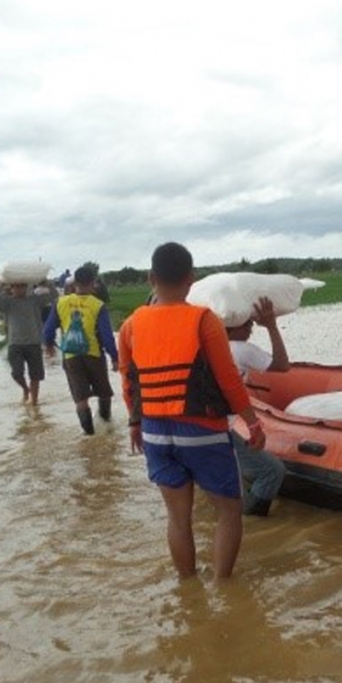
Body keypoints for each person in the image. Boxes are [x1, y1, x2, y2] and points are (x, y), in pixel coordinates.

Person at [117, 242, 266, 580]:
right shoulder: (203, 320)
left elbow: (129, 383)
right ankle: (223, 588)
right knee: (229, 511)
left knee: (178, 518)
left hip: (155, 432)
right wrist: (252, 423)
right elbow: (229, 380)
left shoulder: (129, 326)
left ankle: (189, 590)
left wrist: (134, 424)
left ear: (150, 277)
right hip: (201, 432)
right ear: (191, 279)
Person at [225, 296, 290, 516]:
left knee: (231, 489)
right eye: (247, 324)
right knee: (272, 471)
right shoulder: (241, 349)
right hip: (220, 430)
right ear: (232, 326)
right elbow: (282, 365)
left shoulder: (210, 346)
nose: (251, 328)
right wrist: (271, 326)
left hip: (204, 427)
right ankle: (253, 521)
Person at [42, 264, 119, 434]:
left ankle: (89, 437)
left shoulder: (60, 302)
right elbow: (107, 337)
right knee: (104, 392)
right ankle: (106, 427)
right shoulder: (98, 305)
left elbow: (48, 330)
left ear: (74, 283)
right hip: (93, 354)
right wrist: (115, 357)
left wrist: (48, 344)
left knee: (80, 399)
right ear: (94, 283)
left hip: (71, 357)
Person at [0, 279, 56, 405]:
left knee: (36, 376)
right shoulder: (7, 302)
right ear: (12, 288)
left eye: (22, 286)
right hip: (15, 343)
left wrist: (48, 284)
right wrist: (0, 286)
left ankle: (34, 403)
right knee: (16, 373)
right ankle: (25, 389)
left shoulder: (35, 300)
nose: (20, 289)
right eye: (16, 287)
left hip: (34, 343)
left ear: (27, 287)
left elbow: (54, 296)